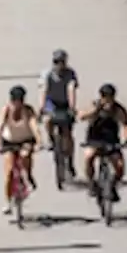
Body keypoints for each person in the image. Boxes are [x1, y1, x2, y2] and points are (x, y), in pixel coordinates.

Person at [0, 85, 42, 214]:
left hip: (26, 139)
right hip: (9, 141)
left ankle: (28, 176)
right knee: (8, 172)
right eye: (14, 101)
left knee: (25, 155)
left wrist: (39, 141)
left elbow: (34, 126)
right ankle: (8, 202)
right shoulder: (6, 110)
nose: (16, 104)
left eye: (19, 101)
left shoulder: (28, 111)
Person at [80, 84, 127, 199]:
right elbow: (82, 116)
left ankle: (113, 185)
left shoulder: (118, 109)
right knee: (89, 157)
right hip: (95, 139)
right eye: (105, 96)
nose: (108, 99)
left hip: (111, 140)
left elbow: (126, 124)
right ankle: (91, 182)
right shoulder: (95, 105)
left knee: (119, 166)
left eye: (110, 96)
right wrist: (95, 111)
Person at [38, 48, 79, 176]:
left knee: (67, 133)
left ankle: (70, 161)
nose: (59, 65)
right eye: (56, 62)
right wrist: (41, 107)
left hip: (65, 103)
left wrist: (72, 108)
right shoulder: (47, 74)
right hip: (52, 102)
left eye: (61, 62)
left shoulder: (70, 74)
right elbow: (44, 90)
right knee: (47, 120)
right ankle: (51, 139)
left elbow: (71, 89)